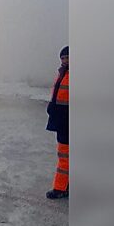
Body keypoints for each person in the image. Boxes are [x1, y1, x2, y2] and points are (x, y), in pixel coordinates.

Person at [46, 46, 69, 199]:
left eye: (67, 57)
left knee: (65, 155)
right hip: (62, 120)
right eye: (63, 58)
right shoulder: (63, 73)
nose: (65, 60)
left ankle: (60, 188)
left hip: (67, 121)